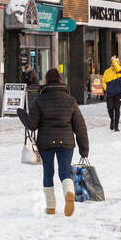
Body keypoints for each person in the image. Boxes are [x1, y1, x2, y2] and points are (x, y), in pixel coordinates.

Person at [20, 67, 89, 216]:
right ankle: (69, 193)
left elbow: (32, 125)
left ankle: (51, 206)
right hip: (66, 142)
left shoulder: (40, 100)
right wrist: (84, 149)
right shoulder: (71, 101)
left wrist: (22, 116)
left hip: (45, 143)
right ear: (60, 81)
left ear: (46, 81)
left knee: (48, 173)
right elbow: (80, 126)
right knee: (65, 171)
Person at [101, 56, 121, 131]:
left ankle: (116, 125)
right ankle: (112, 120)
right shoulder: (107, 71)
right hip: (110, 93)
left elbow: (118, 68)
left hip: (118, 93)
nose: (116, 63)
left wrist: (114, 61)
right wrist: (106, 88)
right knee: (110, 108)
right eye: (115, 61)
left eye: (117, 61)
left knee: (117, 109)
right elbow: (103, 81)